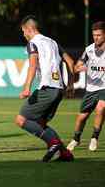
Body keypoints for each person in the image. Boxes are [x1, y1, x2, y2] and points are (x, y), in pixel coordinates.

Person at [14, 15, 74, 162]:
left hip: (47, 88)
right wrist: (71, 85)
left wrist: (27, 87)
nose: (24, 35)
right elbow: (70, 61)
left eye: (23, 31)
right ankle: (65, 153)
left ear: (29, 29)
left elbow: (33, 65)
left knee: (21, 119)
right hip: (59, 90)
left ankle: (53, 143)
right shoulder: (53, 42)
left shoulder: (33, 43)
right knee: (40, 124)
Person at [67, 21, 105, 152]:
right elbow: (77, 66)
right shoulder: (89, 49)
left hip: (104, 87)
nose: (96, 37)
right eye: (94, 35)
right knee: (82, 117)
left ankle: (94, 138)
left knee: (101, 108)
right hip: (91, 89)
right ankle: (76, 139)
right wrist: (79, 67)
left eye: (99, 35)